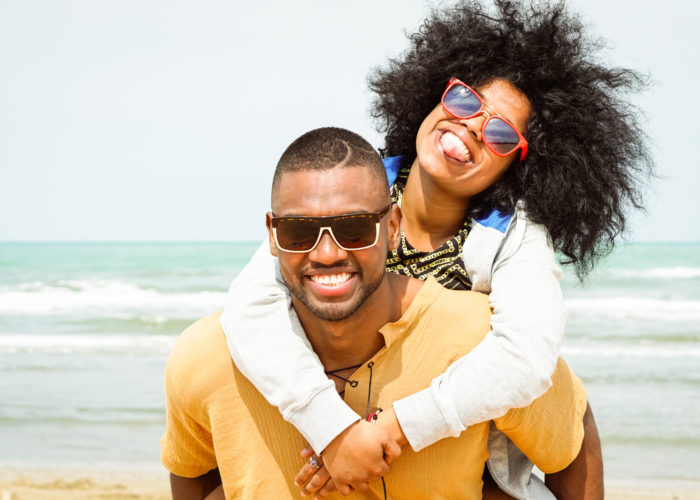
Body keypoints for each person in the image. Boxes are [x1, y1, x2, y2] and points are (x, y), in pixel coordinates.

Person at [221, 0, 644, 498]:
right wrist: (332, 428)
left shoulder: (516, 235)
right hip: (335, 406)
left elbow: (527, 358)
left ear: (522, 164)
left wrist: (389, 427)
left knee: (567, 394)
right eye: (465, 102)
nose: (470, 127)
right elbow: (250, 304)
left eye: (502, 133)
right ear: (433, 93)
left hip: (457, 442)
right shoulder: (352, 183)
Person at [162, 127, 594, 499]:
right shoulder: (204, 357)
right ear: (272, 236)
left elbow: (571, 441)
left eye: (353, 229)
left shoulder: (480, 339)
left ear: (391, 228)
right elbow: (195, 475)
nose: (327, 253)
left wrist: (397, 427)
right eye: (298, 232)